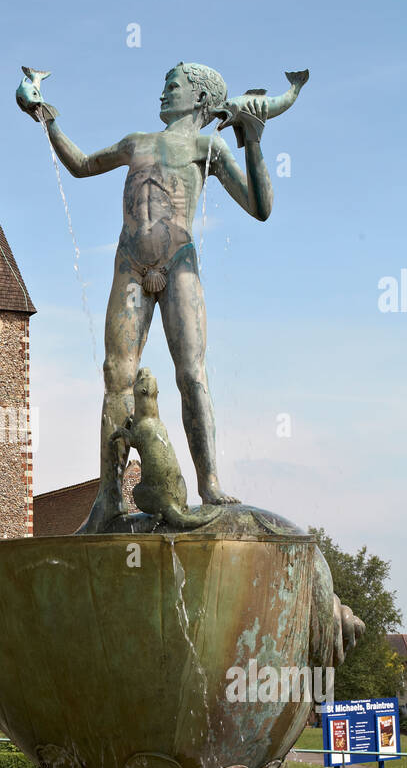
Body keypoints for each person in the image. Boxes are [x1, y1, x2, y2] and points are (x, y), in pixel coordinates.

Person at [26, 62, 272, 532]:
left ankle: (209, 483)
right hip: (130, 265)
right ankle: (109, 497)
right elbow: (80, 166)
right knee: (115, 375)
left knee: (192, 374)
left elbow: (260, 207)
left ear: (200, 98)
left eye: (172, 86)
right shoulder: (136, 142)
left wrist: (255, 140)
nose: (162, 93)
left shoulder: (209, 147)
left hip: (178, 261)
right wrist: (47, 118)